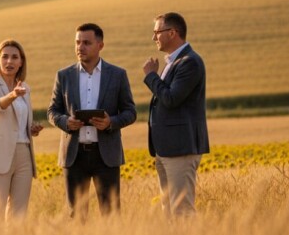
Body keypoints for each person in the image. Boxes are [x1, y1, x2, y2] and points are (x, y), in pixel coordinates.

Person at [47, 23, 136, 220]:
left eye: (86, 43)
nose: (80, 47)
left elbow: (130, 112)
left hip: (106, 156)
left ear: (100, 45)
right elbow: (52, 111)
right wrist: (65, 122)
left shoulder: (117, 74)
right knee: (77, 215)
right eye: (77, 42)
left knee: (111, 214)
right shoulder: (64, 75)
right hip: (74, 155)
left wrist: (110, 122)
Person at [142, 12, 209, 216]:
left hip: (180, 147)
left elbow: (171, 98)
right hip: (167, 148)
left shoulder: (190, 62)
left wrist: (151, 76)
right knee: (169, 209)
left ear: (172, 33)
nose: (154, 38)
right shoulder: (174, 61)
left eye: (157, 32)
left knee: (182, 208)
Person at [0, 39, 43, 220]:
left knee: (18, 218)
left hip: (24, 155)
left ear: (21, 62)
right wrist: (12, 95)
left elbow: (18, 121)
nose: (9, 61)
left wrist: (31, 128)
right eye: (4, 57)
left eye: (14, 57)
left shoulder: (25, 87)